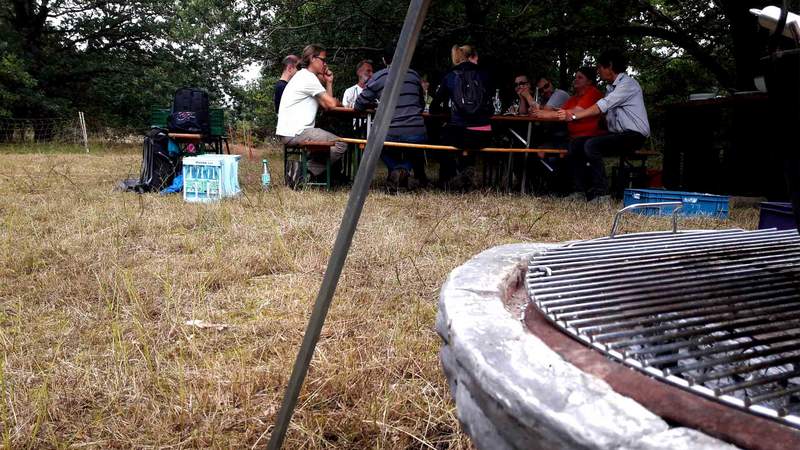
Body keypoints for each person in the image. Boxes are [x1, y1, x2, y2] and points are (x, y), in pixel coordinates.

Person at [556, 49, 651, 202]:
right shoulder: (610, 88)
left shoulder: (627, 84)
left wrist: (573, 115)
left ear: (610, 66)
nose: (599, 71)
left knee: (592, 145)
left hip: (634, 136)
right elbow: (604, 117)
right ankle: (580, 192)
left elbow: (602, 106)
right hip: (617, 135)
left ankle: (602, 194)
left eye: (600, 67)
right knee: (576, 144)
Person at [354, 43, 428, 191]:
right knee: (417, 146)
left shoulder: (378, 77)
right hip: (415, 130)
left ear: (384, 60)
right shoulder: (414, 75)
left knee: (374, 143)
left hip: (390, 131)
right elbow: (421, 103)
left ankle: (396, 169)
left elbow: (358, 105)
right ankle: (403, 169)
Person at [276, 44, 347, 179]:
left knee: (326, 146)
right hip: (297, 132)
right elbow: (332, 104)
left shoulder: (304, 76)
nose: (325, 64)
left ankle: (304, 171)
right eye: (323, 59)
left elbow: (326, 106)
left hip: (292, 131)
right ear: (312, 58)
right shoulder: (308, 77)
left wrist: (329, 82)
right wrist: (337, 102)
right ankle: (303, 172)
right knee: (341, 144)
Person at [430, 44, 494, 189]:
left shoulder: (450, 76)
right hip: (484, 136)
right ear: (472, 57)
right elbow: (491, 108)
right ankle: (467, 171)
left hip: (459, 134)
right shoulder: (485, 75)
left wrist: (448, 112)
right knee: (465, 138)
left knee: (442, 138)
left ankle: (447, 179)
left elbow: (434, 107)